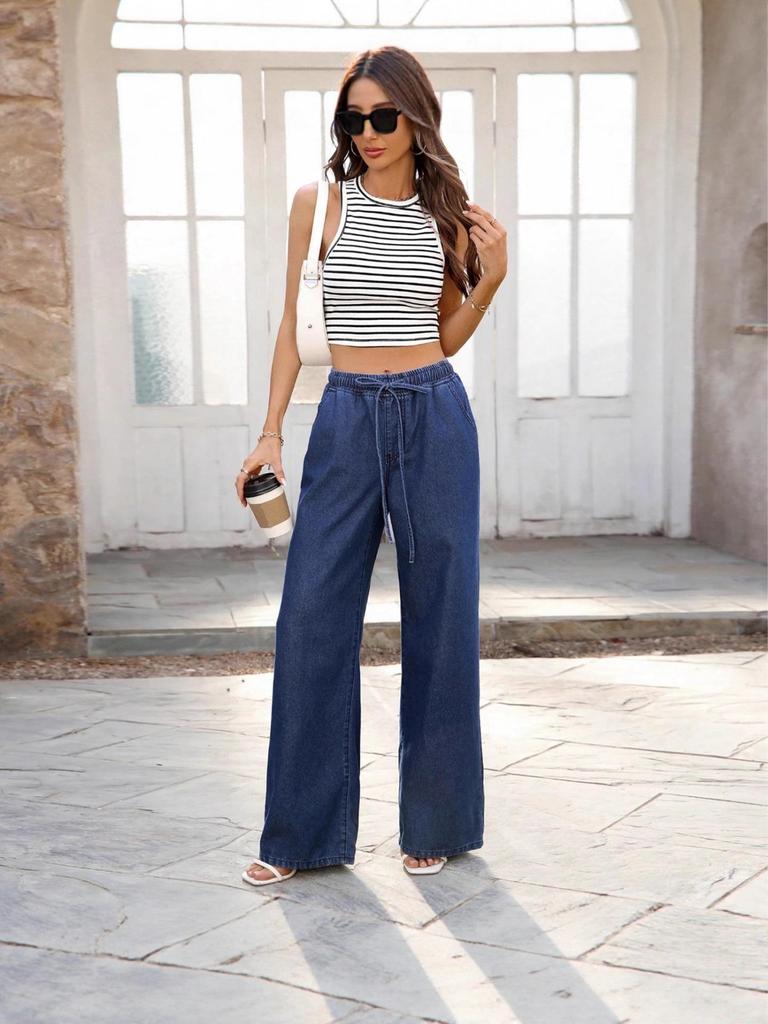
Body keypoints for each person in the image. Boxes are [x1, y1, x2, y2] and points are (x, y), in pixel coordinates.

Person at [236, 45, 507, 884]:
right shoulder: (319, 204)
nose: (369, 132)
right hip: (346, 416)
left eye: (384, 116)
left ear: (417, 116)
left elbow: (446, 335)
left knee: (442, 619)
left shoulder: (451, 218)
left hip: (434, 413)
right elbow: (293, 327)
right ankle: (300, 837)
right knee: (311, 620)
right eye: (353, 119)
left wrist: (490, 279)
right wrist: (270, 432)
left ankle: (436, 824)